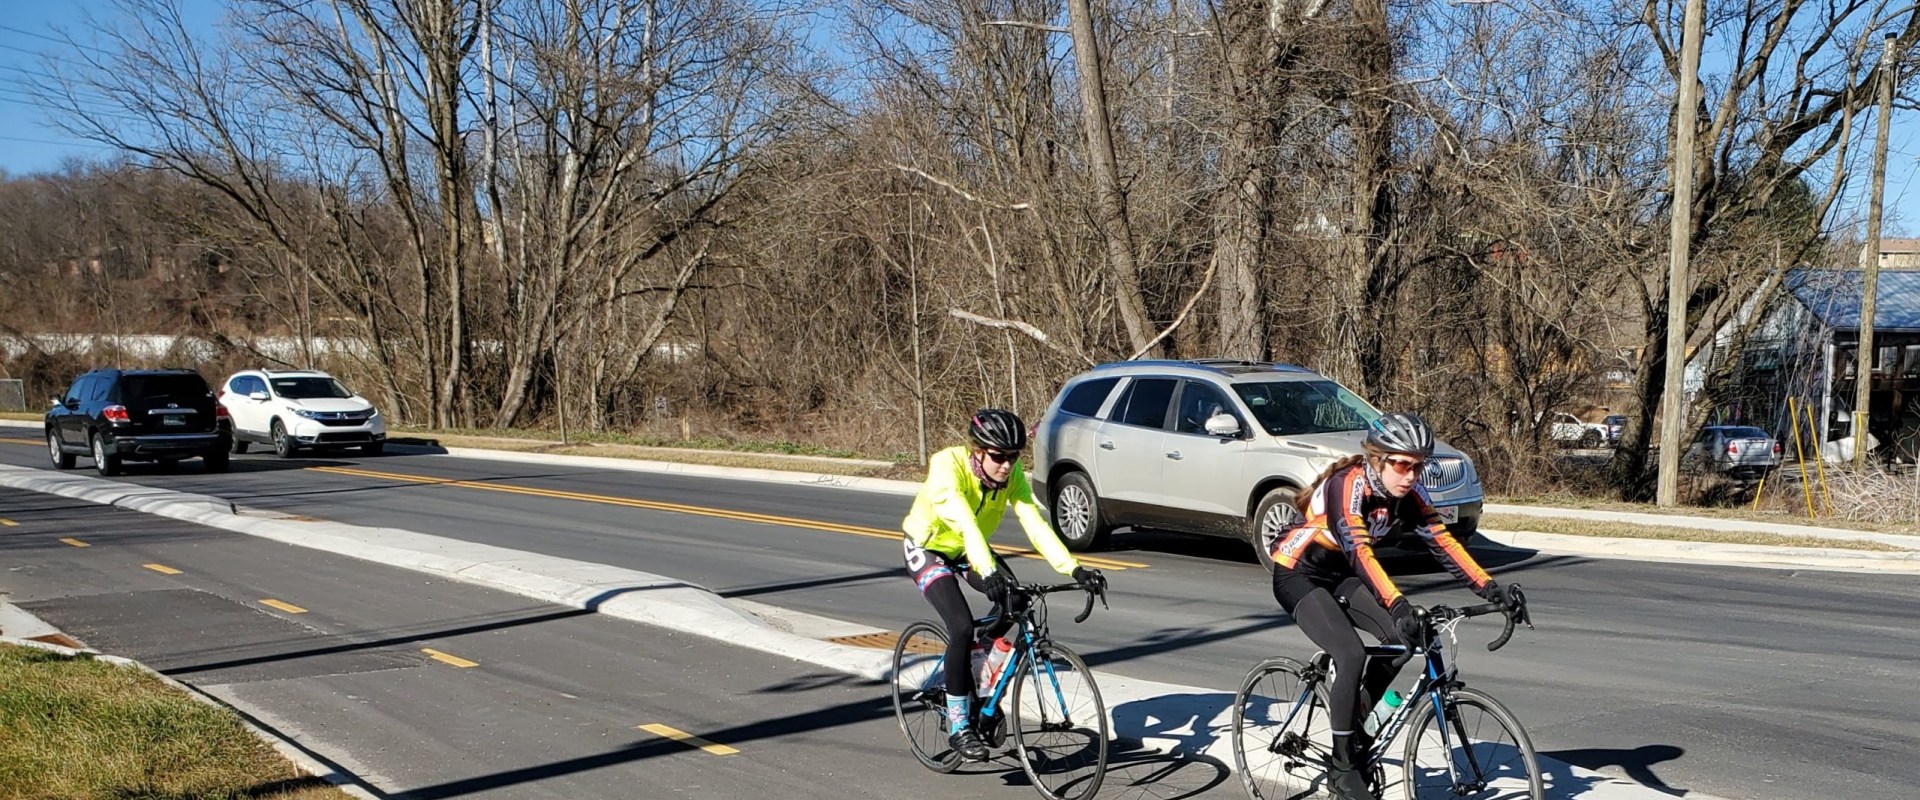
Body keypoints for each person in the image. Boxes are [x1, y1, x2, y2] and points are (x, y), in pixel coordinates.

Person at [1263, 412, 1504, 800]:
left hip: (1342, 574)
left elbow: (1443, 543)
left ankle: (1357, 715)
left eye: (1418, 466)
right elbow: (1359, 551)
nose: (1411, 476)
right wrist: (1397, 603)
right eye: (1402, 465)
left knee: (1402, 639)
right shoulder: (1347, 485)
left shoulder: (1409, 495)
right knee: (1350, 653)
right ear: (1377, 459)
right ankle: (1343, 768)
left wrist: (1491, 589)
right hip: (1300, 573)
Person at [901, 408, 1106, 761]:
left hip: (968, 548)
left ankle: (977, 665)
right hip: (928, 547)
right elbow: (965, 522)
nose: (1007, 465)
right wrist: (988, 571)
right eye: (998, 457)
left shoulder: (1011, 477)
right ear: (977, 451)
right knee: (961, 626)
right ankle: (959, 725)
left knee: (1018, 602)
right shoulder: (948, 466)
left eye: (1013, 457)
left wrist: (1074, 569)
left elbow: (1034, 523)